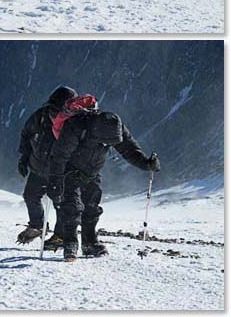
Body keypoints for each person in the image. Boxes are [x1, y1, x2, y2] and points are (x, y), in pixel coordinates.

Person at [47, 94, 161, 261]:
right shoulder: (76, 126)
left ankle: (89, 243)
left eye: (110, 143)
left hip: (92, 172)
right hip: (70, 171)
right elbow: (59, 156)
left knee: (92, 207)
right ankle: (70, 243)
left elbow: (129, 149)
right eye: (104, 143)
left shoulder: (115, 128)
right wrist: (55, 181)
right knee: (72, 208)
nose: (107, 145)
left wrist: (146, 163)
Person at [16, 85, 78, 249]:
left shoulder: (74, 122)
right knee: (30, 196)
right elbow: (27, 134)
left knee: (60, 203)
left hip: (60, 173)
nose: (54, 113)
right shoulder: (40, 116)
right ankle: (37, 226)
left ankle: (59, 235)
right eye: (53, 108)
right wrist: (24, 157)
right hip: (38, 167)